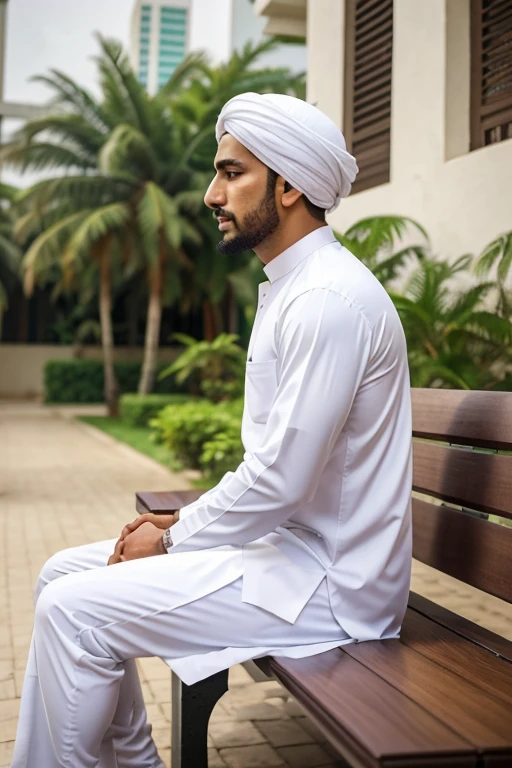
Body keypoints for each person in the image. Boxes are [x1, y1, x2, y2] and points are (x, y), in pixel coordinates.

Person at [11, 92, 412, 768]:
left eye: (231, 173)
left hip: (330, 586)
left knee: (75, 613)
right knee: (59, 576)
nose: (209, 194)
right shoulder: (296, 286)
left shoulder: (326, 300)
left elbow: (280, 478)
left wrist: (171, 538)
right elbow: (279, 473)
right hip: (286, 556)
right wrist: (170, 535)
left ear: (288, 186)